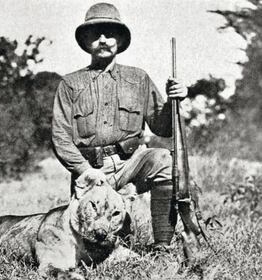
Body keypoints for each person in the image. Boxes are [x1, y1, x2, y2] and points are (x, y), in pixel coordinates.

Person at [51, 3, 188, 249]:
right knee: (95, 248)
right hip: (90, 171)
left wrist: (175, 100)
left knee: (164, 160)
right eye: (95, 33)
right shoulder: (69, 84)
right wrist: (85, 171)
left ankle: (162, 247)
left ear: (121, 40)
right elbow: (60, 138)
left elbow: (163, 128)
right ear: (85, 40)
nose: (103, 39)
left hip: (131, 166)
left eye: (110, 33)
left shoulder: (139, 78)